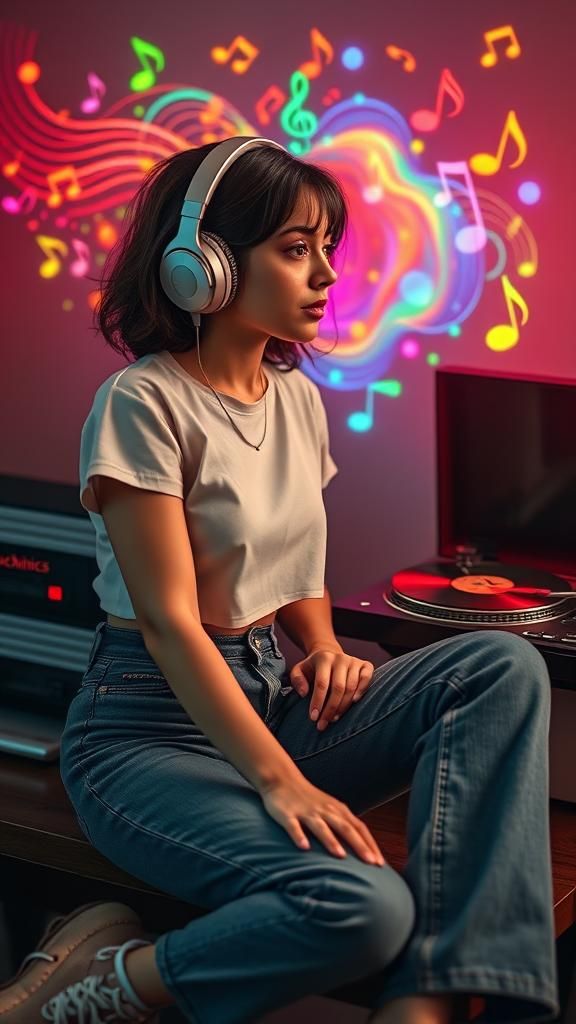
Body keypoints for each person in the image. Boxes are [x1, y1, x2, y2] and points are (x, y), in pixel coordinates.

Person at [0, 137, 559, 1024]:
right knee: (363, 909)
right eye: (297, 249)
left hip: (269, 698)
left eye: (326, 248)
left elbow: (292, 561)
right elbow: (173, 623)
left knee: (499, 665)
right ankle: (109, 982)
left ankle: (444, 990)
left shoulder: (295, 398)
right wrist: (280, 780)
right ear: (204, 265)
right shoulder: (142, 404)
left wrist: (326, 647)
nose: (326, 275)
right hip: (147, 731)